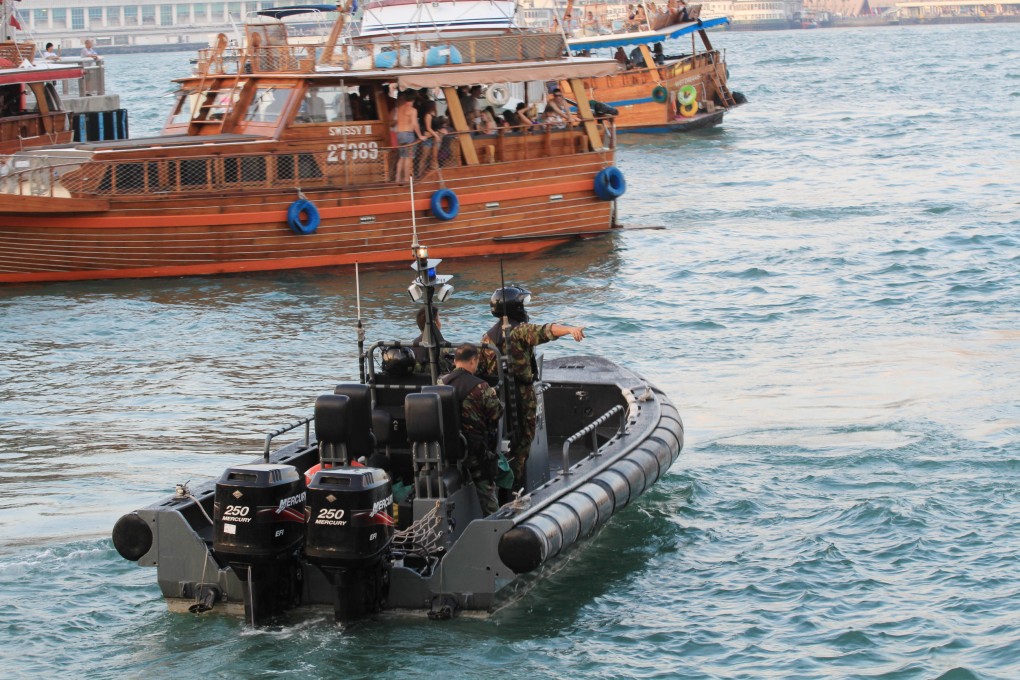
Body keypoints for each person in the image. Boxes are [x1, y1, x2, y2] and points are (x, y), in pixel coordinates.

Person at [480, 287, 585, 483]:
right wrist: (570, 329)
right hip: (522, 393)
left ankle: (506, 479)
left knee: (505, 438)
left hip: (498, 395)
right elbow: (546, 330)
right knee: (525, 439)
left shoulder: (488, 338)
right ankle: (516, 481)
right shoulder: (520, 331)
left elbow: (481, 368)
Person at [438, 344, 504, 514]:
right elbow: (497, 414)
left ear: (455, 361)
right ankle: (494, 524)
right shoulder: (481, 387)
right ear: (474, 360)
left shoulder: (440, 383)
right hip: (474, 450)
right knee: (487, 491)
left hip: (445, 448)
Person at [394, 90, 425, 184]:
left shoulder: (399, 108)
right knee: (408, 157)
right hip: (408, 134)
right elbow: (415, 124)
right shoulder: (413, 110)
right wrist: (420, 136)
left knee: (401, 157)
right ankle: (406, 178)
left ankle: (397, 178)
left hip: (399, 134)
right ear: (413, 100)